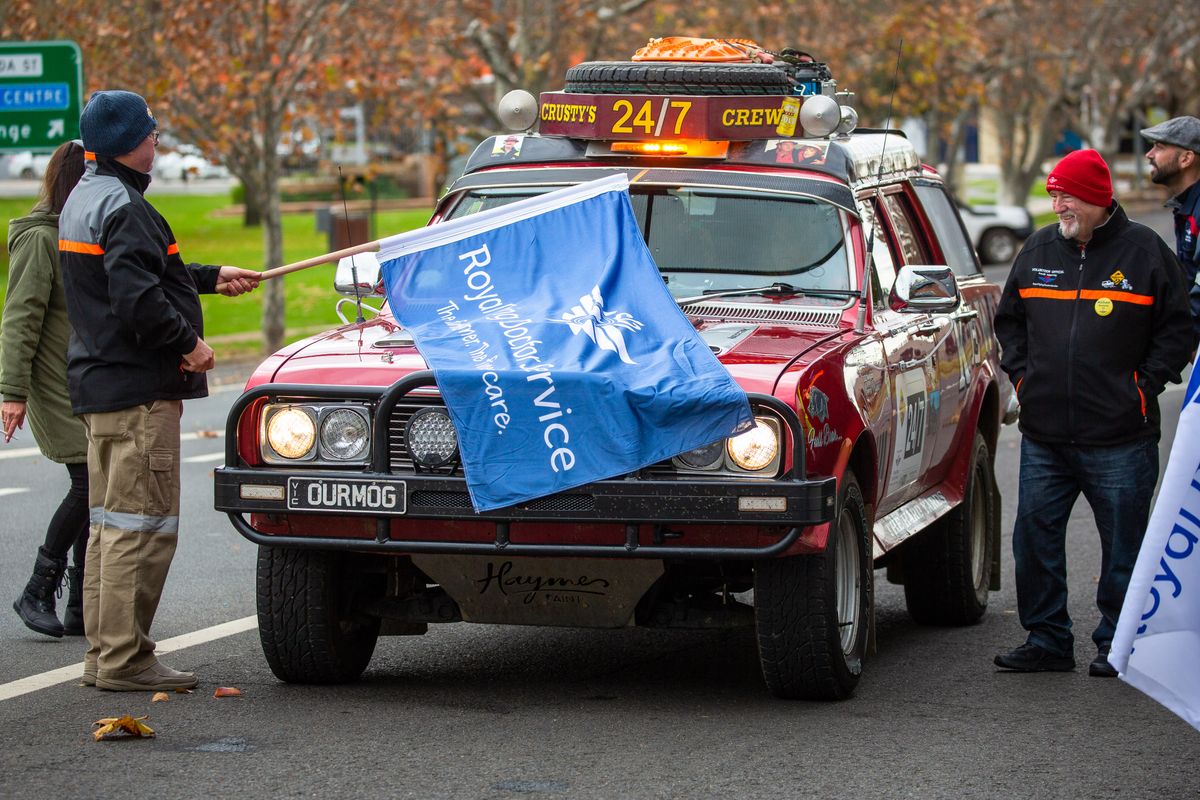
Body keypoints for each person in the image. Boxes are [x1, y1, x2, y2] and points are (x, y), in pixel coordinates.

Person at [58, 90, 260, 692]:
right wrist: (187, 346)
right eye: (149, 133)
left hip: (101, 387)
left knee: (106, 529)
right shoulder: (125, 206)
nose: (157, 141)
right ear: (127, 142)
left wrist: (206, 278)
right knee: (139, 531)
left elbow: (144, 273)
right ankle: (127, 660)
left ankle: (105, 655)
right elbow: (136, 298)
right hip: (139, 393)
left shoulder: (86, 197)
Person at [993, 148, 1194, 678]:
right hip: (1046, 436)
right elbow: (1009, 323)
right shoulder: (1037, 249)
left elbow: (1179, 330)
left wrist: (1143, 387)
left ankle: (1118, 645)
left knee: (1126, 548)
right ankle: (1048, 639)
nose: (1057, 204)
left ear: (1098, 199)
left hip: (1121, 436)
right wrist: (1022, 378)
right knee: (1034, 538)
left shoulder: (1146, 252)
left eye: (1067, 195)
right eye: (1053, 194)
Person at [2, 140, 89, 639]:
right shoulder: (39, 240)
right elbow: (19, 319)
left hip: (81, 376)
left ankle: (80, 603)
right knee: (89, 484)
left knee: (96, 485)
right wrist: (13, 392)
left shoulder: (75, 233)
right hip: (53, 382)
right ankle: (37, 588)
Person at [1141, 116, 1200, 337]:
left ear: (1186, 158)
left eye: (1159, 146)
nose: (1149, 154)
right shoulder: (1187, 205)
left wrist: (1189, 336)